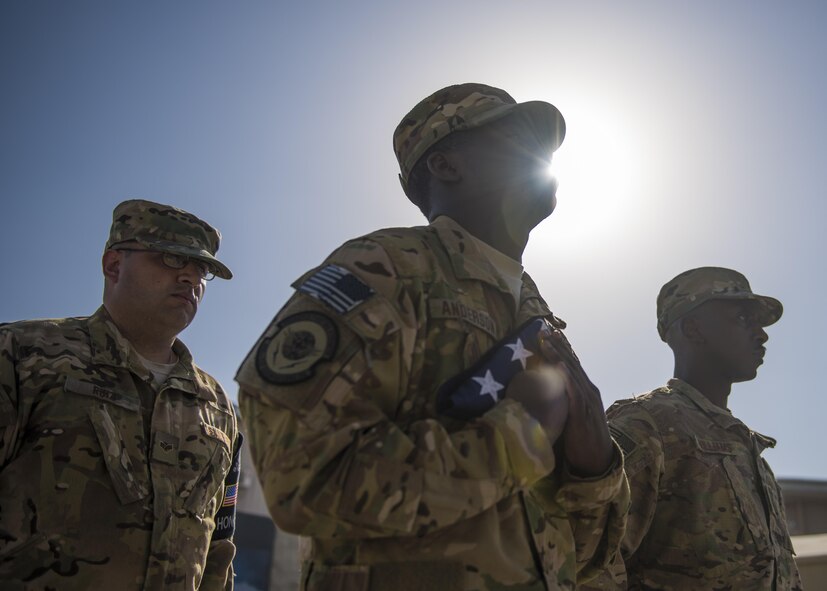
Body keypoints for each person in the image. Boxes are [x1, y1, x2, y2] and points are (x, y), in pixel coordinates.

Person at [236, 83, 628, 590]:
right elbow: (303, 476)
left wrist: (594, 472)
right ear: (447, 166)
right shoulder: (385, 270)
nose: (541, 155)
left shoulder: (536, 313)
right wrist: (519, 437)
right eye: (514, 137)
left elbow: (583, 560)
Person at [0, 199, 242, 590]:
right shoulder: (23, 354)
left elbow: (218, 545)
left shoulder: (217, 406)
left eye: (201, 270)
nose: (190, 279)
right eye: (170, 260)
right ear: (113, 265)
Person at [583, 267, 802, 590]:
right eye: (743, 319)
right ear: (693, 329)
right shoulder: (647, 425)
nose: (762, 334)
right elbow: (592, 566)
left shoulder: (751, 452)